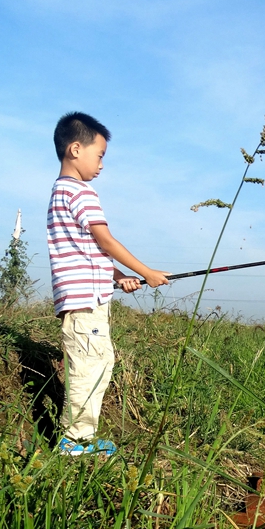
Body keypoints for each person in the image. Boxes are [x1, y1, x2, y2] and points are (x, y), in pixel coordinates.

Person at [47, 112, 170, 456]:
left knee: (100, 363)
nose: (101, 165)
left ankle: (82, 436)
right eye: (99, 155)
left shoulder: (60, 193)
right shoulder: (82, 192)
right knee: (89, 368)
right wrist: (147, 272)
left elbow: (88, 251)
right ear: (75, 149)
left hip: (83, 295)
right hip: (85, 301)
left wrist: (119, 277)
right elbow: (105, 241)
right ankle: (75, 441)